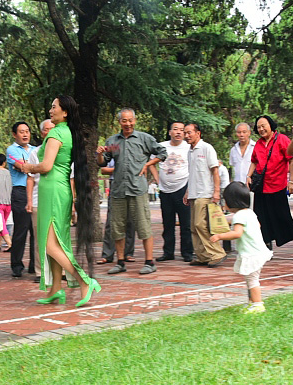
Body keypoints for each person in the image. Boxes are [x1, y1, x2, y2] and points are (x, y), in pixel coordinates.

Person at [10, 95, 99, 307]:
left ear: (65, 112)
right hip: (60, 189)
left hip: (53, 190)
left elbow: (46, 166)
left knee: (50, 245)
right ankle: (56, 289)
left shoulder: (56, 133)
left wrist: (27, 167)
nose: (51, 110)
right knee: (57, 242)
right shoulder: (68, 131)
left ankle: (84, 281)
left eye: (54, 107)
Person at [96, 108, 167, 275]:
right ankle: (120, 262)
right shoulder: (113, 141)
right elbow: (102, 163)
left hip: (138, 189)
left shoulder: (144, 139)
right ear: (119, 122)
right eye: (124, 121)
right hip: (118, 190)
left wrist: (148, 164)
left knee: (144, 226)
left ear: (134, 121)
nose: (128, 124)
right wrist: (99, 154)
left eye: (130, 120)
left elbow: (162, 152)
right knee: (117, 228)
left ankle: (149, 262)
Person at [209, 182, 272, 314]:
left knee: (252, 280)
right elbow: (258, 225)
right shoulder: (249, 213)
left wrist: (220, 236)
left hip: (252, 254)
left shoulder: (239, 216)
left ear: (232, 201)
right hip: (257, 251)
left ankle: (258, 304)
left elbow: (237, 233)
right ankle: (252, 303)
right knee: (250, 279)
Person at [247, 115, 293, 260]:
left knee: (283, 216)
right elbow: (254, 162)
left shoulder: (282, 139)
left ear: (271, 125)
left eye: (263, 125)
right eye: (258, 127)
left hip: (277, 185)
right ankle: (265, 248)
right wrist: (248, 176)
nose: (261, 129)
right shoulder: (258, 144)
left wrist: (291, 181)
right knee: (261, 218)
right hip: (261, 187)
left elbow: (292, 161)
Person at [182, 123, 225, 267]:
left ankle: (217, 253)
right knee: (194, 227)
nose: (186, 136)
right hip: (194, 194)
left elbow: (215, 171)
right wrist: (187, 192)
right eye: (185, 133)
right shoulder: (190, 152)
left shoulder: (207, 148)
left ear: (198, 133)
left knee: (201, 224)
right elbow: (192, 174)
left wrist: (216, 192)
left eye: (189, 132)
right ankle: (203, 256)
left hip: (205, 193)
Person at [152, 122, 193, 262]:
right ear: (170, 132)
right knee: (167, 223)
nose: (179, 132)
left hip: (183, 189)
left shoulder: (188, 147)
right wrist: (158, 180)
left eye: (182, 130)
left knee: (186, 224)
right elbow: (151, 163)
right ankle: (168, 252)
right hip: (165, 190)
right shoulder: (161, 146)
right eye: (175, 129)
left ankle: (187, 252)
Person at [27, 120, 55, 283]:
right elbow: (30, 178)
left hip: (59, 199)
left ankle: (60, 269)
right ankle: (41, 272)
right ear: (42, 133)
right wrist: (29, 201)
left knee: (59, 236)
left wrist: (72, 202)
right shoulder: (35, 153)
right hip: (39, 199)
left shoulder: (65, 150)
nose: (50, 132)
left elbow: (70, 178)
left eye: (53, 129)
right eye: (46, 129)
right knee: (40, 238)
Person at [6, 122, 35, 278]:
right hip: (20, 192)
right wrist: (33, 166)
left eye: (27, 131)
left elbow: (31, 167)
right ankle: (16, 265)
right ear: (14, 134)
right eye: (21, 132)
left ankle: (34, 265)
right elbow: (22, 167)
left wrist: (30, 166)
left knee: (36, 230)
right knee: (21, 230)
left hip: (36, 191)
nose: (25, 134)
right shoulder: (11, 150)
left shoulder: (35, 149)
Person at [97, 159, 137, 264]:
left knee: (130, 220)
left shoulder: (133, 151)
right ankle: (107, 254)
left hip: (131, 183)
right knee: (111, 221)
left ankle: (128, 253)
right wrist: (121, 169)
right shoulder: (113, 150)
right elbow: (104, 170)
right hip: (115, 184)